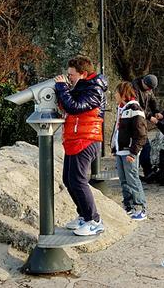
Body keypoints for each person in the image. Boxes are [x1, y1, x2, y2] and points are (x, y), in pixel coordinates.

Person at [54, 56, 107, 236]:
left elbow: (75, 107)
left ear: (83, 74)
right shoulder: (81, 87)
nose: (68, 78)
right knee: (69, 180)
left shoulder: (94, 89)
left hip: (85, 139)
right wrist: (63, 92)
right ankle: (84, 216)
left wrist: (62, 88)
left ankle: (94, 220)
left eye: (71, 75)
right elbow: (67, 105)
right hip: (74, 139)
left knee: (78, 180)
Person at [111, 81, 148, 220]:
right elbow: (118, 131)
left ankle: (141, 208)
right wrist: (115, 147)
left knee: (133, 180)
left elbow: (141, 134)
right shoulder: (122, 109)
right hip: (121, 151)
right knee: (124, 181)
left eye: (116, 92)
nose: (114, 95)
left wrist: (133, 152)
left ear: (123, 93)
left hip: (129, 152)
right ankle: (129, 206)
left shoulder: (135, 109)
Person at [133, 74, 162, 179]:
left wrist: (156, 111)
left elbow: (152, 100)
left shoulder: (148, 89)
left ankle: (147, 171)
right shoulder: (134, 88)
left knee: (145, 146)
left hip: (141, 121)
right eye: (148, 88)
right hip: (134, 120)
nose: (149, 90)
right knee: (144, 145)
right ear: (144, 82)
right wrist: (150, 117)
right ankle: (145, 171)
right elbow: (136, 107)